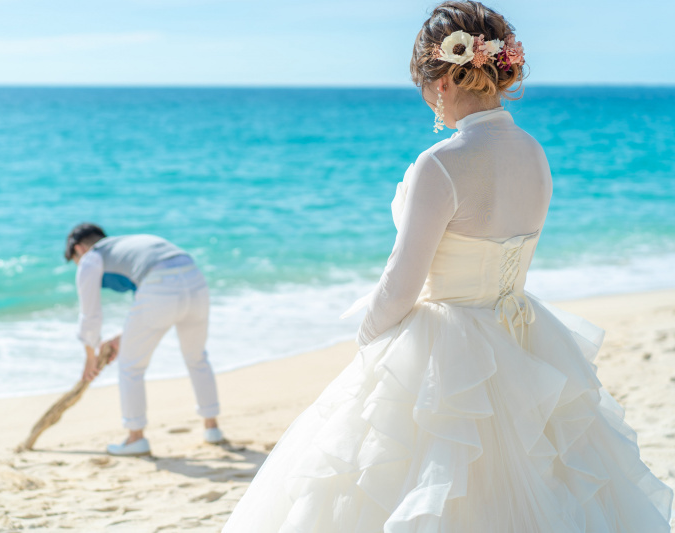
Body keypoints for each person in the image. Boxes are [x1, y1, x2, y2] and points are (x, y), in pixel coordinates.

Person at [222, 2, 673, 531]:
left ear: (440, 82)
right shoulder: (534, 154)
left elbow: (400, 284)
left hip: (445, 352)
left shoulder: (441, 164)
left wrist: (370, 346)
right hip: (524, 341)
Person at [65, 223, 224, 456]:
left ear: (79, 249)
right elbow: (150, 301)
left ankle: (135, 438)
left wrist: (90, 356)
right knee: (197, 357)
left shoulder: (92, 257)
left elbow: (91, 314)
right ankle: (212, 429)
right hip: (194, 278)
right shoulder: (129, 244)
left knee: (131, 366)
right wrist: (123, 337)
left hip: (159, 286)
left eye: (74, 261)